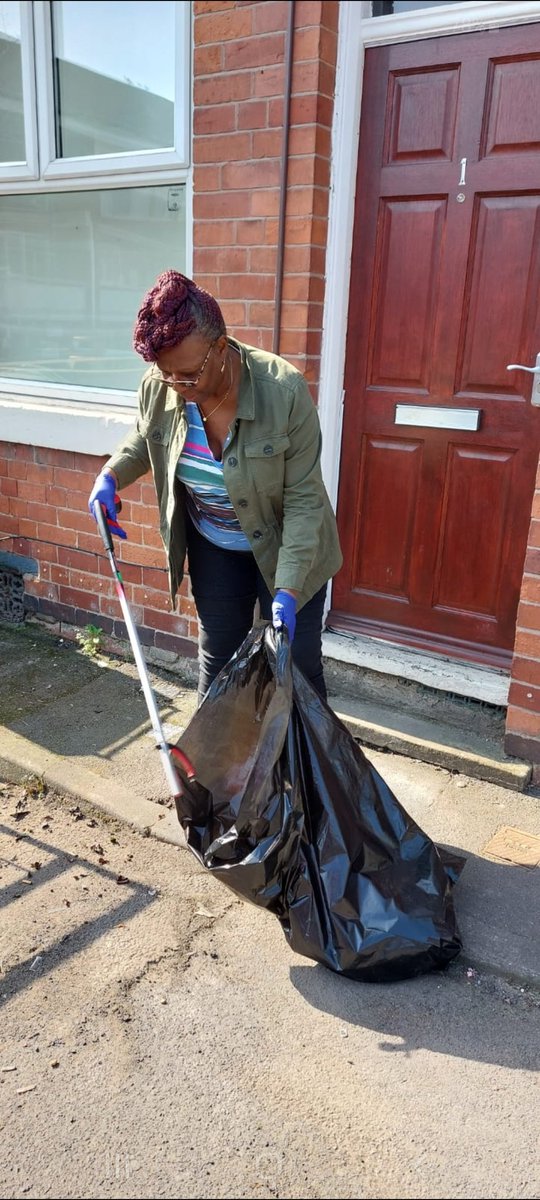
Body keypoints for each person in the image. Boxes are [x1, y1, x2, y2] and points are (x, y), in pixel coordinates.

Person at [88, 270, 342, 702]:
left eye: (186, 375)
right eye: (165, 374)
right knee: (219, 660)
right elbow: (146, 435)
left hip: (288, 543)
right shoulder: (164, 384)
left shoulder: (283, 391)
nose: (176, 386)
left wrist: (289, 589)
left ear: (220, 349)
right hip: (215, 542)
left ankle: (307, 770)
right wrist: (110, 476)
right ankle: (215, 767)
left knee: (296, 666)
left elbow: (304, 498)